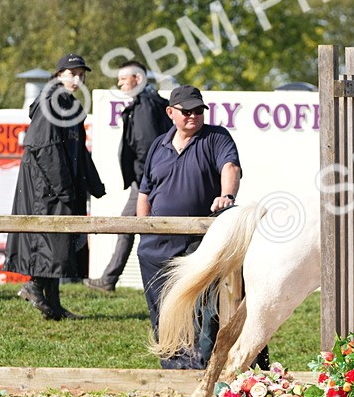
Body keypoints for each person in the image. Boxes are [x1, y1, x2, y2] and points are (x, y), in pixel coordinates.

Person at [137, 85, 241, 369]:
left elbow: (230, 168)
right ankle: (172, 366)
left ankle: (199, 365)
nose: (194, 116)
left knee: (197, 307)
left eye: (198, 111)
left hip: (198, 241)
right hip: (155, 245)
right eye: (187, 111)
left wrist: (227, 196)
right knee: (161, 308)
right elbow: (144, 192)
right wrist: (143, 228)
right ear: (171, 113)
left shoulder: (215, 137)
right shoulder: (158, 145)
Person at [5, 54, 106, 319]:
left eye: (82, 74)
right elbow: (44, 147)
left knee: (60, 246)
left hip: (59, 185)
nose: (78, 78)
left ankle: (53, 305)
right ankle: (34, 286)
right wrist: (63, 188)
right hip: (47, 187)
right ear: (59, 74)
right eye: (72, 73)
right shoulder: (52, 100)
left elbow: (78, 150)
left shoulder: (66, 102)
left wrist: (94, 185)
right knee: (53, 243)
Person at [84, 61, 172, 293]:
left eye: (124, 79)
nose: (119, 83)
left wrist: (145, 184)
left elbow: (145, 146)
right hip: (150, 179)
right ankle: (110, 278)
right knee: (141, 228)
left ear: (138, 79)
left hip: (147, 181)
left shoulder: (144, 106)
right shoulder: (151, 103)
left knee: (129, 226)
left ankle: (109, 279)